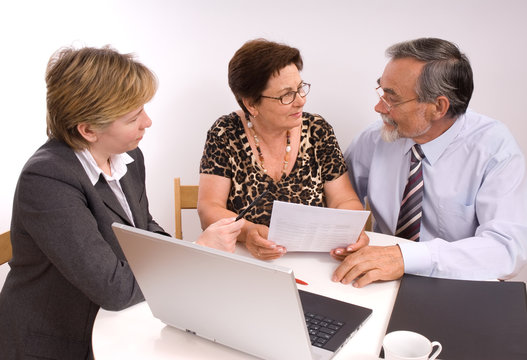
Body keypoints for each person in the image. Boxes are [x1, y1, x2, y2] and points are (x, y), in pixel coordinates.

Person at [0, 46, 244, 359]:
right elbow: (114, 289)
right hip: (56, 343)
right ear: (88, 130)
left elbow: (142, 228)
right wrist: (197, 252)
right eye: (133, 117)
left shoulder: (128, 157)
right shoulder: (47, 179)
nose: (148, 122)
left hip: (114, 324)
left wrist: (185, 254)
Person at [332, 37, 527, 287]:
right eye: (381, 91)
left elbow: (507, 249)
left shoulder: (494, 150)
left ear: (438, 107)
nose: (378, 107)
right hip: (378, 278)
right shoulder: (375, 138)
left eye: (392, 98)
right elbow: (337, 198)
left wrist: (408, 257)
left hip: (456, 284)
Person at [198, 38, 368, 260]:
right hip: (247, 260)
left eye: (300, 89)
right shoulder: (225, 132)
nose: (301, 101)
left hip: (312, 261)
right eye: (287, 95)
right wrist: (249, 232)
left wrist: (352, 233)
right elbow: (209, 208)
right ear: (251, 103)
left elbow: (343, 200)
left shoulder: (318, 130)